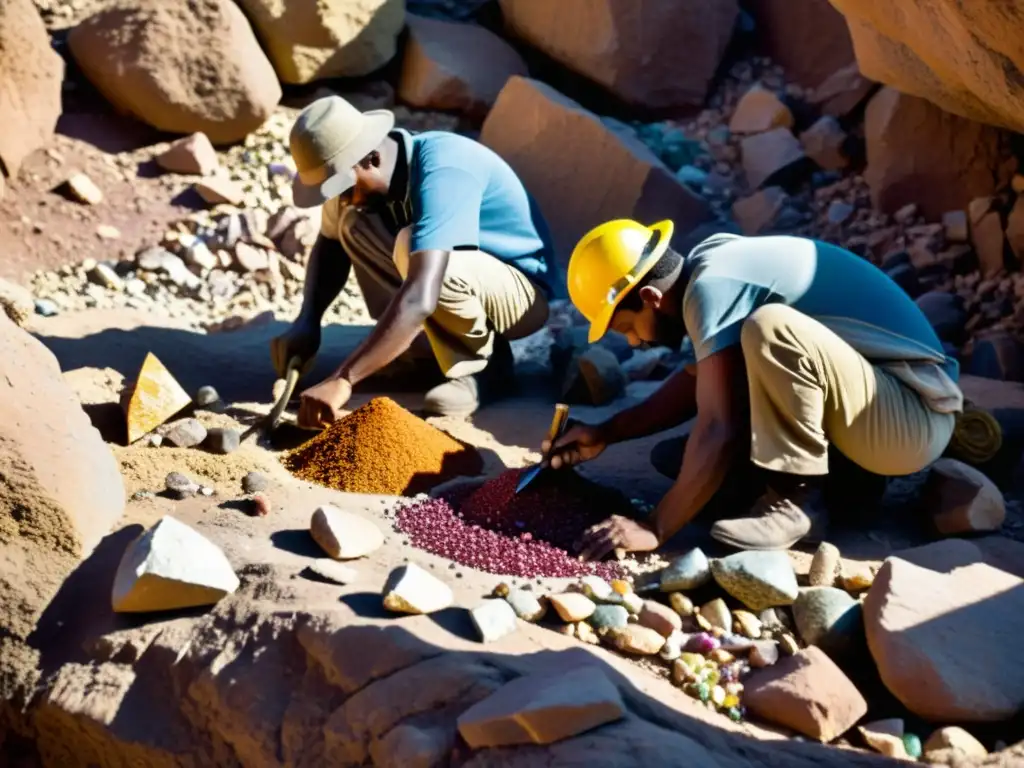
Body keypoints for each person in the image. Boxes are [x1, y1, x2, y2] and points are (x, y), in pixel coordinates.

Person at [545, 220, 963, 560]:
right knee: (682, 459)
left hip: (911, 416)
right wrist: (607, 432)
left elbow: (718, 427)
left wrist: (655, 526)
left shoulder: (710, 287)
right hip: (873, 406)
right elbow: (700, 383)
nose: (634, 342)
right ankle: (850, 489)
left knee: (769, 329)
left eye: (626, 327)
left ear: (651, 298)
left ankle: (795, 501)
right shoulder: (709, 266)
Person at [271, 96, 560, 424]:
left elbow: (423, 292)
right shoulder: (360, 183)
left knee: (415, 249)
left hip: (520, 292)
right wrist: (308, 320)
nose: (343, 198)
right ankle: (427, 351)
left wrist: (343, 379)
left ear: (372, 159)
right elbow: (330, 245)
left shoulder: (444, 168)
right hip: (445, 278)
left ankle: (485, 367)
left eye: (344, 188)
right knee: (351, 221)